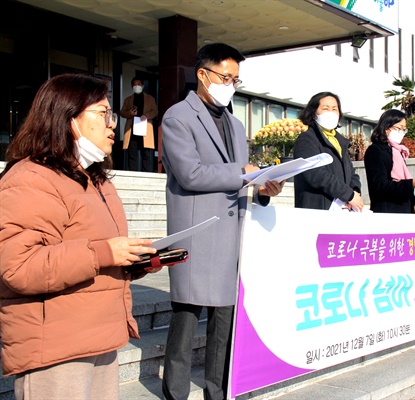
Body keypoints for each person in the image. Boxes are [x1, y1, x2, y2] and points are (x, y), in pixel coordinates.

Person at [0, 74, 158, 400]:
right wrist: (104, 253)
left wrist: (133, 262)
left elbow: (97, 253)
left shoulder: (97, 181)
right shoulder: (32, 178)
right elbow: (19, 266)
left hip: (102, 335)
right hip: (57, 347)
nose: (113, 125)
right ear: (70, 119)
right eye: (103, 114)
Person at [160, 43, 284, 400]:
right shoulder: (178, 116)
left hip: (232, 234)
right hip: (197, 232)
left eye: (236, 79)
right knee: (185, 318)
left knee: (224, 324)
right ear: (203, 74)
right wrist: (243, 172)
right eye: (225, 77)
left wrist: (264, 186)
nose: (230, 84)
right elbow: (190, 174)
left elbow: (241, 178)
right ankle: (176, 392)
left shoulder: (235, 121)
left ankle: (218, 391)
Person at [293, 92, 363, 211]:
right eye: (325, 108)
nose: (330, 112)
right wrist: (348, 195)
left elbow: (352, 173)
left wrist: (354, 192)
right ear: (313, 113)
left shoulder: (340, 142)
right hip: (318, 208)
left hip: (342, 209)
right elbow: (316, 174)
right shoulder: (307, 139)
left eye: (334, 109)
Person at [364, 109, 415, 216]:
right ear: (386, 128)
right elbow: (380, 185)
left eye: (404, 130)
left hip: (405, 211)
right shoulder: (375, 150)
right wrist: (411, 184)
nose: (401, 133)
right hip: (387, 211)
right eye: (398, 128)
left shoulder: (399, 152)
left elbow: (404, 182)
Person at [120, 77, 159, 172]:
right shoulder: (128, 99)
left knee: (146, 153)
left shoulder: (150, 98)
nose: (136, 86)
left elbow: (155, 111)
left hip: (145, 129)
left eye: (138, 84)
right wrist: (130, 113)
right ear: (132, 86)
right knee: (132, 153)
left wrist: (146, 115)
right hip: (132, 129)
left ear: (142, 86)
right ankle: (132, 173)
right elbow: (122, 113)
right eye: (134, 84)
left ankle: (147, 174)